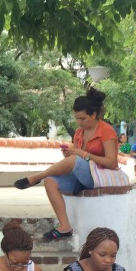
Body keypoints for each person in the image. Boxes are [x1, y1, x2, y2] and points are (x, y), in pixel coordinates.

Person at [12, 89, 122, 239]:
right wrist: (71, 152)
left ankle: (36, 177)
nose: (79, 122)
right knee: (50, 181)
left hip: (99, 176)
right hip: (82, 175)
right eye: (77, 118)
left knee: (73, 160)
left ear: (94, 115)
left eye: (82, 119)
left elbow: (112, 162)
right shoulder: (79, 132)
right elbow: (77, 155)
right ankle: (64, 226)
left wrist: (84, 155)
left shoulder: (106, 131)